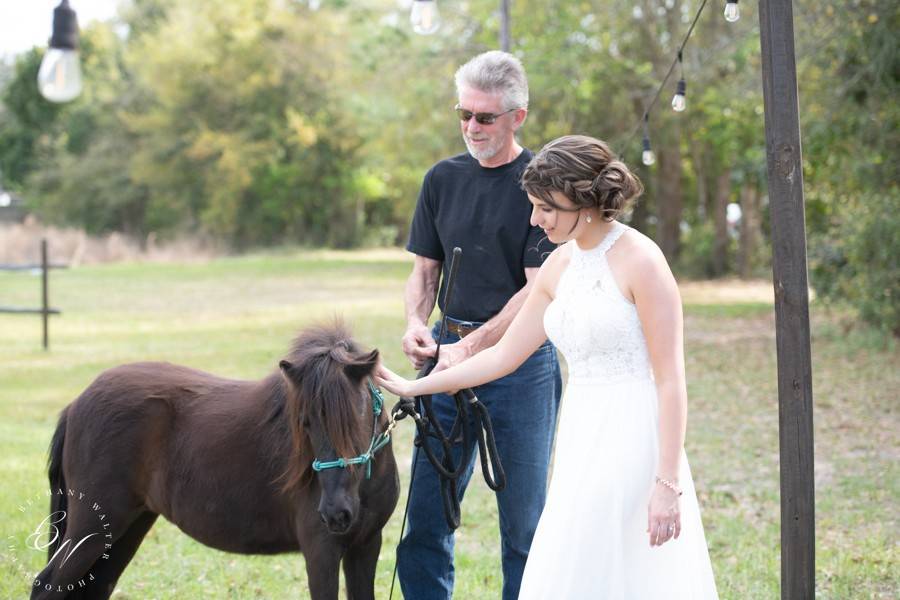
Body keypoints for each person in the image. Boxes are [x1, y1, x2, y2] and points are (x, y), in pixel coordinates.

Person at [379, 135, 719, 598]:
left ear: (585, 201)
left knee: (624, 566)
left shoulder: (643, 261)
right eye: (533, 206)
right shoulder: (559, 264)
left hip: (634, 434)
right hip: (581, 432)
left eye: (546, 208)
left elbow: (671, 380)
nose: (535, 220)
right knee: (571, 561)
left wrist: (666, 481)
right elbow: (502, 357)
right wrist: (414, 387)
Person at [397, 51, 562, 600]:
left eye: (485, 117)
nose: (472, 127)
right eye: (464, 114)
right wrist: (418, 324)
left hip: (522, 365)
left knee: (524, 526)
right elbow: (425, 269)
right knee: (424, 517)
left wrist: (470, 346)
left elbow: (537, 288)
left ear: (518, 116)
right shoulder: (440, 178)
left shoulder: (544, 184)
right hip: (445, 354)